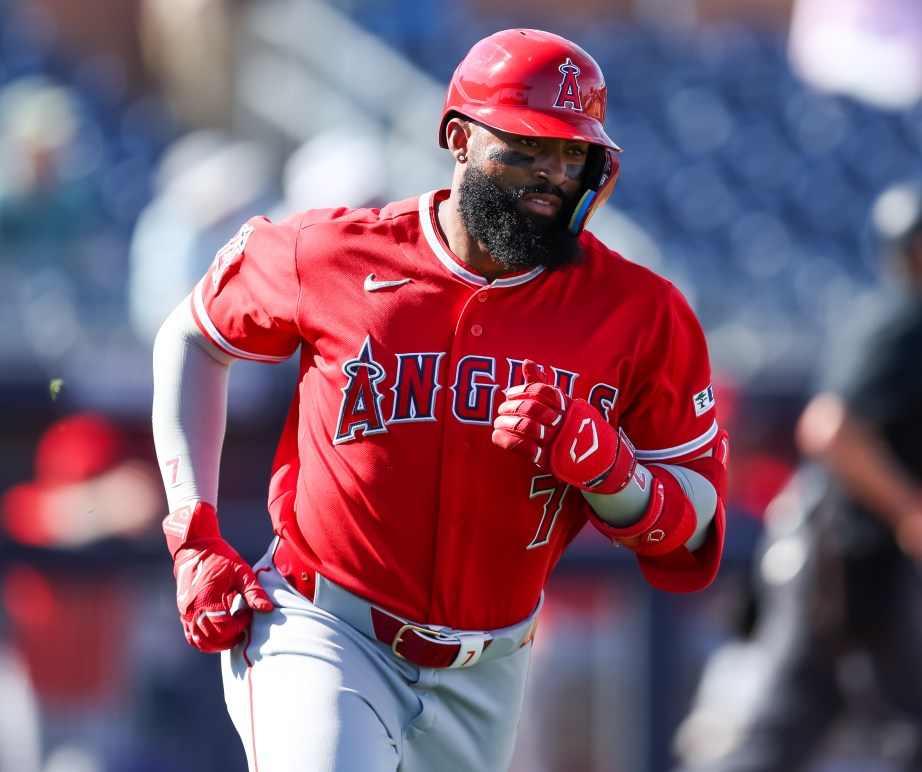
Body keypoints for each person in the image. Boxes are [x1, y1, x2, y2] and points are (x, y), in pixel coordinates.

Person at [151, 28, 729, 772]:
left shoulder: (641, 310)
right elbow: (192, 337)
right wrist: (192, 534)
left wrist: (616, 477)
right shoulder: (329, 252)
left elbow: (693, 522)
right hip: (322, 628)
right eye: (525, 147)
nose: (552, 174)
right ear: (458, 138)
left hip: (491, 669)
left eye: (570, 153)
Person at [674, 182, 922, 772]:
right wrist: (914, 512)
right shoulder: (910, 324)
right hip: (843, 557)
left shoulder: (912, 322)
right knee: (909, 730)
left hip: (840, 559)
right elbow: (830, 427)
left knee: (797, 723)